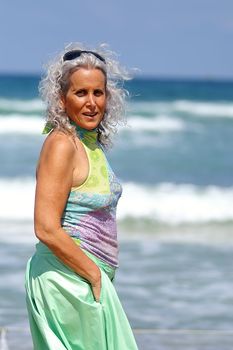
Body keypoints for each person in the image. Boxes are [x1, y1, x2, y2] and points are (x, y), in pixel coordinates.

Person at [25, 42, 139, 350]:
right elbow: (46, 227)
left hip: (84, 283)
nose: (91, 103)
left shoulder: (89, 143)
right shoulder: (62, 144)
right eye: (80, 93)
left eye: (98, 92)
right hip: (67, 282)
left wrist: (99, 279)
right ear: (61, 100)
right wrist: (94, 276)